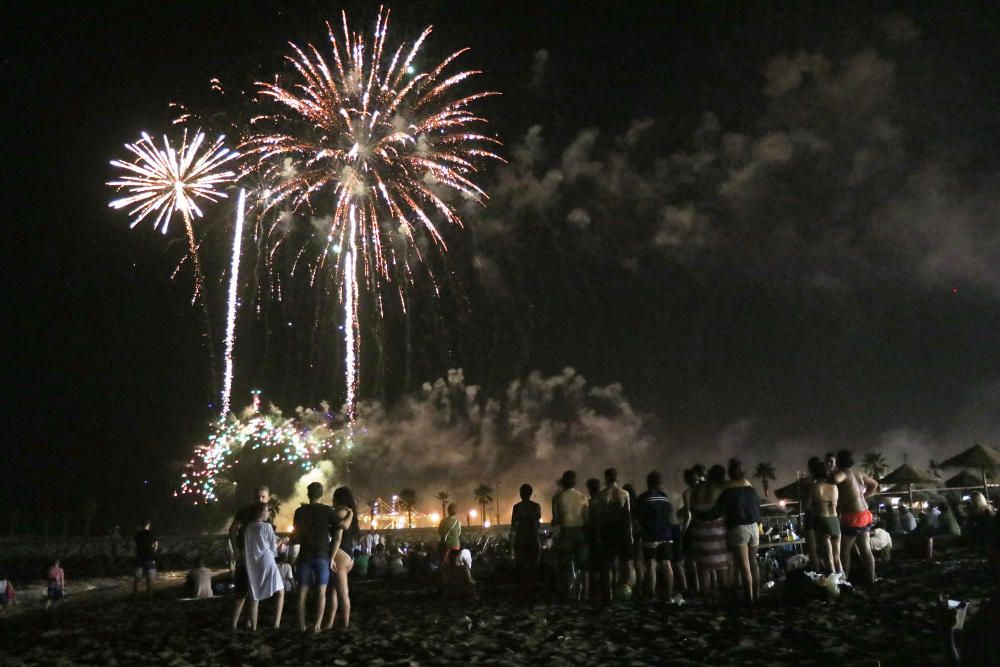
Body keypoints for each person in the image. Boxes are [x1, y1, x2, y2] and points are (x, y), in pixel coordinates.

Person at [701, 459, 762, 603]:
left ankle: (749, 598)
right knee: (753, 563)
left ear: (730, 473)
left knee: (744, 566)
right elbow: (758, 509)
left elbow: (717, 511)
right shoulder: (751, 488)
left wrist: (701, 516)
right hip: (754, 527)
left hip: (738, 529)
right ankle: (757, 595)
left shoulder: (728, 491)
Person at [291, 481, 338, 633]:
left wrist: (292, 557)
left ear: (308, 494)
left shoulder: (300, 512)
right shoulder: (327, 510)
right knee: (321, 593)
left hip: (305, 555)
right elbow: (341, 525)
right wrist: (349, 513)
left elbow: (296, 536)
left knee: (302, 593)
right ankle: (317, 625)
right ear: (321, 494)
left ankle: (301, 625)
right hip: (322, 555)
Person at [231, 503, 285, 631]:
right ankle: (276, 624)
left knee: (255, 595)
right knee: (280, 592)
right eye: (266, 511)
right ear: (260, 513)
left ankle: (254, 628)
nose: (268, 513)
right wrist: (282, 540)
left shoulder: (248, 528)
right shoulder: (267, 526)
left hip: (252, 563)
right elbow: (272, 547)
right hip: (267, 561)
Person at [832, 449, 879, 584]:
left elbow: (835, 480)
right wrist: (863, 496)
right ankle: (871, 578)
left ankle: (845, 579)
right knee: (865, 549)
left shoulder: (843, 473)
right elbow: (874, 484)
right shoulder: (858, 473)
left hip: (852, 517)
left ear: (839, 461)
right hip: (865, 513)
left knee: (844, 551)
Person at [635, 471, 679, 603]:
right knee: (667, 565)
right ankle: (669, 595)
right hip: (666, 535)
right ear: (660, 483)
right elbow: (670, 515)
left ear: (648, 483)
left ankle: (651, 594)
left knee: (651, 565)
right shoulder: (665, 498)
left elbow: (638, 518)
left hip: (650, 535)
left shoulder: (643, 498)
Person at [690, 465, 731, 596]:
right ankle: (723, 599)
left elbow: (692, 510)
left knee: (704, 570)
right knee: (721, 568)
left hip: (700, 533)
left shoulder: (696, 489)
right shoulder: (721, 488)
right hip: (717, 534)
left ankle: (706, 600)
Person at [228, 486, 273, 602]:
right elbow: (232, 529)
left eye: (263, 497)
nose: (260, 499)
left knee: (254, 594)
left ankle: (249, 620)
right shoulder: (244, 510)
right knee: (242, 593)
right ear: (254, 498)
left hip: (258, 557)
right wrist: (236, 549)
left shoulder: (267, 514)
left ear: (268, 498)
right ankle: (237, 620)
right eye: (258, 497)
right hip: (245, 553)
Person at [552, 470, 590, 600]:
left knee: (565, 565)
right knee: (583, 567)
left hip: (566, 533)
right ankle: (585, 593)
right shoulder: (583, 497)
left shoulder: (557, 498)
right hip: (580, 533)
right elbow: (586, 519)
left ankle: (567, 593)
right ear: (575, 482)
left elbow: (556, 520)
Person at [324, 486, 358, 630]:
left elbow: (337, 538)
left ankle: (345, 623)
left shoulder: (339, 512)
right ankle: (331, 623)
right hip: (349, 555)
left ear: (338, 499)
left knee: (342, 593)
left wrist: (331, 557)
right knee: (333, 590)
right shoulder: (351, 513)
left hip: (339, 554)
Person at [599, 468, 635, 599]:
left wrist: (599, 534)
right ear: (616, 478)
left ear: (606, 478)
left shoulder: (602, 495)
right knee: (625, 563)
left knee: (608, 564)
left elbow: (600, 517)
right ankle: (627, 590)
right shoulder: (624, 494)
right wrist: (630, 534)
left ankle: (609, 593)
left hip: (608, 530)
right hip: (623, 530)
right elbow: (628, 516)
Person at [806, 457, 842, 575]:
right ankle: (844, 583)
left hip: (823, 520)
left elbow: (807, 506)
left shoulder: (815, 487)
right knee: (837, 559)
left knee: (829, 559)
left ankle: (834, 588)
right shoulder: (834, 487)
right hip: (835, 521)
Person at [510, 484, 542, 591]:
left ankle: (524, 584)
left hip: (521, 537)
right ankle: (533, 584)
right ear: (531, 493)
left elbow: (514, 524)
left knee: (522, 562)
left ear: (521, 494)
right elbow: (538, 522)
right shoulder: (536, 506)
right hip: (533, 537)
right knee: (534, 562)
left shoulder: (517, 507)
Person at [584, 477, 604, 601]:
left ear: (590, 490)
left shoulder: (589, 504)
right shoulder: (606, 502)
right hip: (605, 538)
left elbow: (586, 522)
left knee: (593, 567)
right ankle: (607, 591)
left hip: (592, 539)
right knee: (606, 567)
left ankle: (594, 592)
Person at [133, 518, 158, 601]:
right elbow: (156, 545)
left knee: (137, 580)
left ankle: (135, 598)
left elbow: (136, 545)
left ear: (141, 525)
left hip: (139, 558)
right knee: (150, 580)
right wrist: (153, 551)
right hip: (150, 558)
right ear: (149, 524)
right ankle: (149, 597)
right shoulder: (152, 533)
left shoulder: (138, 534)